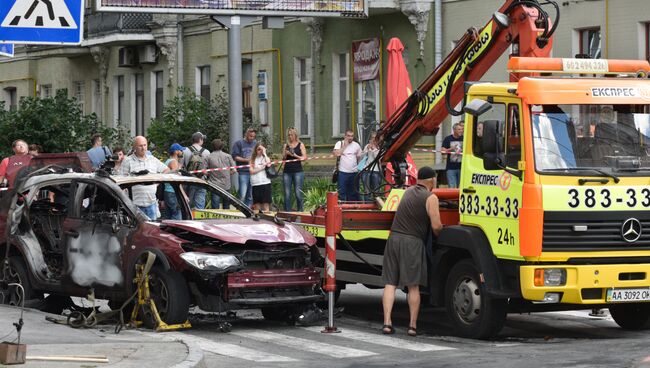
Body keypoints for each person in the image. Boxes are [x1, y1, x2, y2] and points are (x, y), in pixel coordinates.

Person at [381, 166, 442, 337]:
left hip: (394, 239)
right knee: (413, 286)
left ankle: (387, 323)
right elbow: (436, 226)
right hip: (412, 243)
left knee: (390, 283)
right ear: (432, 180)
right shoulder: (431, 197)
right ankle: (412, 326)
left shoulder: (407, 193)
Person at [119, 136, 169, 220]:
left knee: (152, 231)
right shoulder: (128, 161)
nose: (143, 148)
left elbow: (166, 169)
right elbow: (121, 180)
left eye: (145, 145)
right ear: (134, 147)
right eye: (140, 146)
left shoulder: (152, 160)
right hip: (134, 205)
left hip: (151, 203)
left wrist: (157, 183)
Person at [182, 131, 210, 209]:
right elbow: (208, 168)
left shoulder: (184, 151)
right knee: (200, 204)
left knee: (187, 203)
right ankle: (199, 219)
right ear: (200, 140)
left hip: (188, 180)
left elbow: (180, 166)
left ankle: (189, 219)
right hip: (201, 180)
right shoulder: (206, 152)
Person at [333, 129, 362, 201]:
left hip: (354, 172)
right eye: (348, 136)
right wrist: (344, 146)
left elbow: (360, 157)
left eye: (352, 136)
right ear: (345, 136)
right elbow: (336, 153)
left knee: (353, 193)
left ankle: (352, 210)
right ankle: (341, 209)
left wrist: (359, 169)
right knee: (341, 192)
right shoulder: (339, 143)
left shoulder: (356, 145)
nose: (350, 138)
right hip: (342, 172)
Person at [206, 139, 236, 209]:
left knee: (215, 206)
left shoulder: (208, 157)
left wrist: (211, 174)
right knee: (226, 205)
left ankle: (216, 219)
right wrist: (227, 174)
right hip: (226, 184)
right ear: (222, 146)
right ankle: (226, 219)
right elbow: (234, 170)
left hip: (214, 184)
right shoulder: (228, 156)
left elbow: (204, 171)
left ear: (212, 147)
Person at [282, 127, 307, 211]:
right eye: (288, 135)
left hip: (298, 171)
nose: (290, 137)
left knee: (298, 193)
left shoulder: (301, 144)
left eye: (291, 135)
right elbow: (283, 159)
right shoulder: (286, 145)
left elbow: (304, 158)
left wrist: (294, 155)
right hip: (287, 171)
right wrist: (286, 154)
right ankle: (287, 213)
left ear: (295, 135)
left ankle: (300, 212)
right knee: (287, 193)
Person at [232, 127, 257, 207]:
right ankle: (240, 210)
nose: (252, 138)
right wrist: (246, 160)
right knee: (242, 194)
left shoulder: (255, 143)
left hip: (253, 171)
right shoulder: (239, 143)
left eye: (253, 136)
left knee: (250, 195)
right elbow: (235, 157)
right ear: (246, 134)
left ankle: (248, 212)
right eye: (250, 136)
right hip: (243, 171)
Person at [162, 143, 185, 220]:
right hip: (173, 192)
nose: (182, 151)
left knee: (168, 215)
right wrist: (184, 195)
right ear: (176, 152)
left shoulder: (168, 161)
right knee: (177, 215)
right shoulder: (173, 162)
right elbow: (177, 180)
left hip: (167, 191)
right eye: (180, 150)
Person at [249, 142, 272, 212]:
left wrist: (264, 153)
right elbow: (251, 171)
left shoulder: (265, 158)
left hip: (265, 183)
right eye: (259, 149)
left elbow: (268, 165)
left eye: (262, 149)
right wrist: (262, 168)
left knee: (266, 205)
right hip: (256, 184)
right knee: (257, 206)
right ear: (255, 150)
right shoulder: (252, 159)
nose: (260, 151)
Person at [360, 131, 382, 201]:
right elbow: (361, 157)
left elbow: (379, 158)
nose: (373, 140)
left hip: (376, 171)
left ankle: (376, 205)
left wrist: (373, 149)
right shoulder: (367, 146)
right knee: (367, 190)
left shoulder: (380, 147)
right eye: (372, 138)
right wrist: (366, 150)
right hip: (366, 170)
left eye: (375, 138)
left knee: (376, 190)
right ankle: (367, 205)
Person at [441, 122, 464, 188]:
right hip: (451, 168)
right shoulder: (448, 139)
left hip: (462, 167)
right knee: (452, 187)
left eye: (462, 129)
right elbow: (442, 152)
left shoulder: (464, 139)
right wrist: (451, 149)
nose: (461, 131)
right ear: (454, 130)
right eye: (459, 129)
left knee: (460, 187)